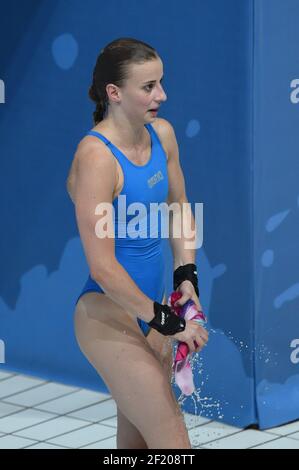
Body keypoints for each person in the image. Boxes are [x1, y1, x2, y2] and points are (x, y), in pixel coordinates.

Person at [66, 37, 209, 449]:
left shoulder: (161, 135)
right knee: (173, 445)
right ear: (114, 92)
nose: (161, 95)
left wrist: (186, 277)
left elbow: (180, 206)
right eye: (148, 87)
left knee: (137, 446)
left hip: (155, 308)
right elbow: (103, 268)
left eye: (161, 83)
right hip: (108, 313)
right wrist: (170, 323)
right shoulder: (97, 157)